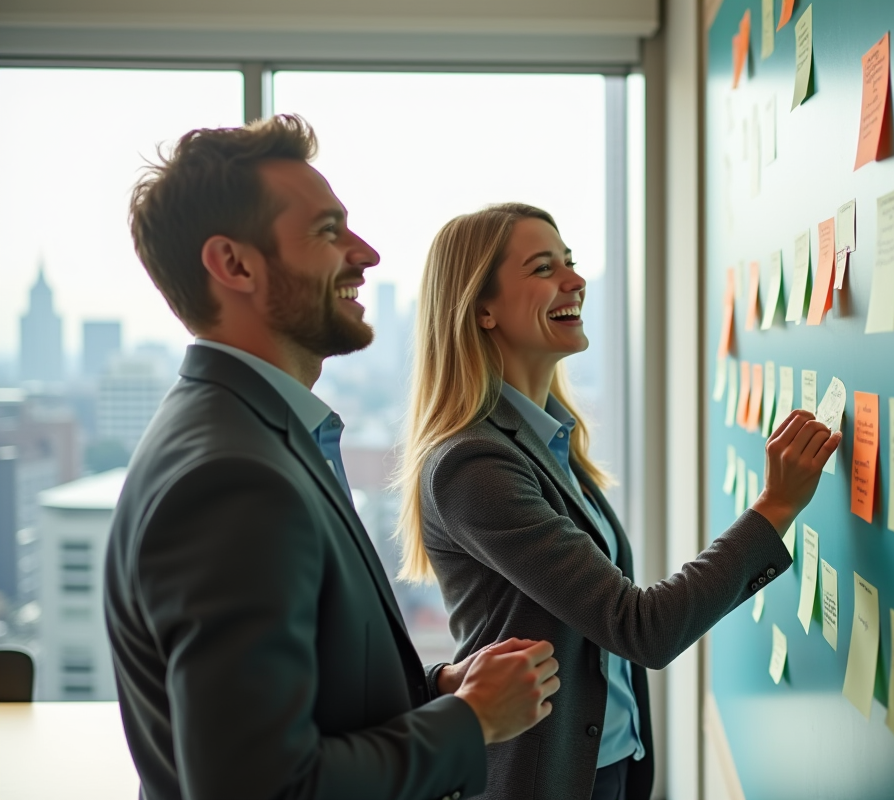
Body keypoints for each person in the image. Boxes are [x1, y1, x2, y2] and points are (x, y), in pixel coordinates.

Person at [104, 117, 560, 800]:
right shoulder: (232, 480)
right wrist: (468, 721)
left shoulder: (258, 432)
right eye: (327, 232)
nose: (367, 253)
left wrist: (436, 691)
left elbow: (301, 705)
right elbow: (259, 788)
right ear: (234, 265)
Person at [396, 202, 842, 800]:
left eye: (571, 262)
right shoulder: (473, 465)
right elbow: (640, 627)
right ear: (481, 309)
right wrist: (775, 508)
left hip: (608, 766)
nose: (575, 280)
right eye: (543, 267)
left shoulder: (552, 440)